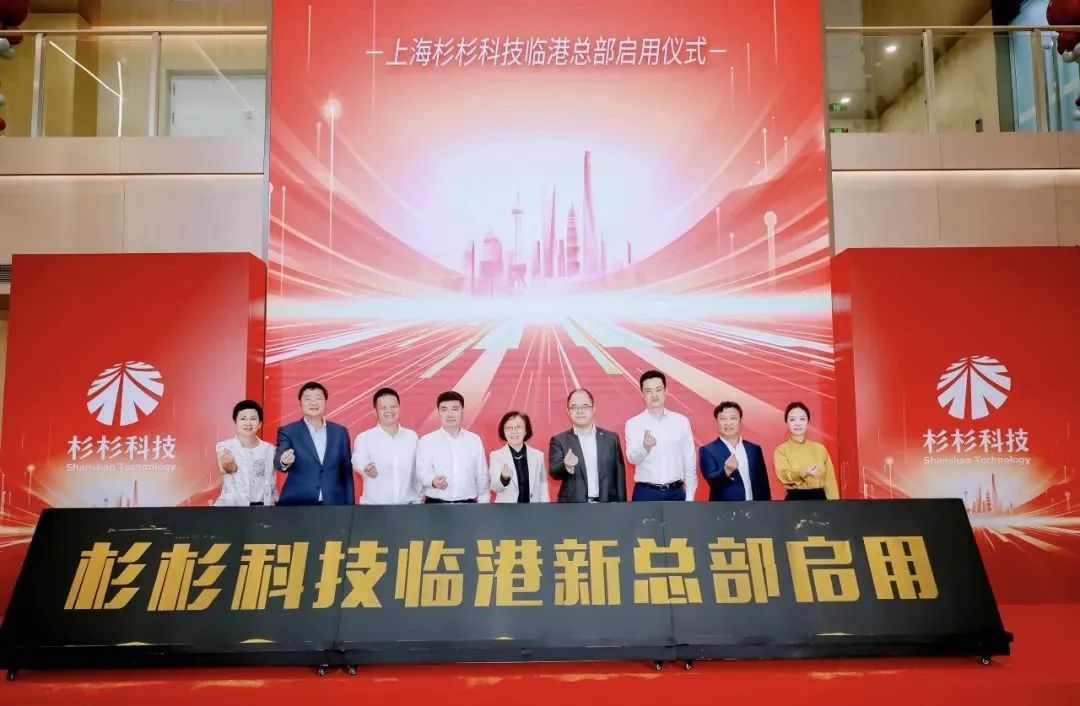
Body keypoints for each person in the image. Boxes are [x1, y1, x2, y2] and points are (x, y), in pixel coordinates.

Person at [274, 381, 355, 505]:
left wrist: (350, 507)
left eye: (318, 398)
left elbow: (346, 473)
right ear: (300, 403)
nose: (313, 402)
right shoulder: (288, 431)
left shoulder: (340, 432)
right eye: (308, 399)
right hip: (298, 505)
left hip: (334, 504)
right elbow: (279, 458)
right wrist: (284, 461)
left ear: (325, 402)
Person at [624, 370, 698, 502]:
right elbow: (632, 459)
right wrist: (645, 447)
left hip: (676, 493)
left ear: (666, 391)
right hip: (645, 493)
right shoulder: (633, 423)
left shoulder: (681, 421)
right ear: (642, 394)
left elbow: (689, 459)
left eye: (658, 389)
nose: (654, 395)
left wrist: (690, 496)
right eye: (648, 391)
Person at [549, 388, 626, 503]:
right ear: (568, 411)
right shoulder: (559, 440)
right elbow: (554, 472)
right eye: (574, 407)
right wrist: (566, 466)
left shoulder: (611, 439)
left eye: (585, 406)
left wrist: (622, 505)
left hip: (607, 505)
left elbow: (619, 476)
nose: (580, 411)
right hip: (572, 506)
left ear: (593, 409)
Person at [416, 391, 489, 503]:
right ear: (439, 412)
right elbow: (421, 473)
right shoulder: (426, 441)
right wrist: (432, 481)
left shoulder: (474, 440)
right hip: (435, 505)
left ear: (462, 411)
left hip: (468, 505)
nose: (450, 414)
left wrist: (484, 502)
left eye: (455, 409)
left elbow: (482, 475)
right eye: (444, 410)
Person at [352, 387, 421, 505]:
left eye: (393, 406)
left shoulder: (412, 437)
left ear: (399, 408)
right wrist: (366, 468)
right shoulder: (364, 438)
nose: (389, 411)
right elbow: (357, 461)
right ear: (375, 412)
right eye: (383, 408)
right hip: (375, 507)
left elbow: (418, 470)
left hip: (408, 505)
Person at [699, 401, 772, 502]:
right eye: (723, 419)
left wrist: (766, 507)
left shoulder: (754, 449)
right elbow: (711, 478)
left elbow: (763, 483)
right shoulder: (707, 450)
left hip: (754, 507)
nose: (728, 423)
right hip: (724, 508)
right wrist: (726, 471)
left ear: (740, 421)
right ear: (716, 422)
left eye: (733, 418)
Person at [214, 400, 277, 507]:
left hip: (264, 508)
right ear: (235, 422)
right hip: (232, 508)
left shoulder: (270, 449)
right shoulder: (225, 446)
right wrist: (229, 463)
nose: (248, 423)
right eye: (243, 418)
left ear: (260, 424)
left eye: (253, 419)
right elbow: (228, 469)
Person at [774, 401, 838, 500]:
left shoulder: (820, 449)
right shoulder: (781, 450)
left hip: (820, 500)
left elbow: (830, 481)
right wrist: (803, 473)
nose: (797, 423)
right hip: (795, 500)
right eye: (792, 419)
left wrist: (834, 505)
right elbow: (783, 476)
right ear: (787, 422)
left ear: (808, 421)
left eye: (802, 419)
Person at [489, 411, 550, 503]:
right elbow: (495, 487)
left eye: (518, 427)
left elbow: (543, 485)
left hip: (533, 508)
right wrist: (504, 479)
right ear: (503, 431)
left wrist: (545, 508)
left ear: (526, 430)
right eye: (509, 428)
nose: (514, 431)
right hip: (506, 509)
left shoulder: (538, 456)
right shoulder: (496, 456)